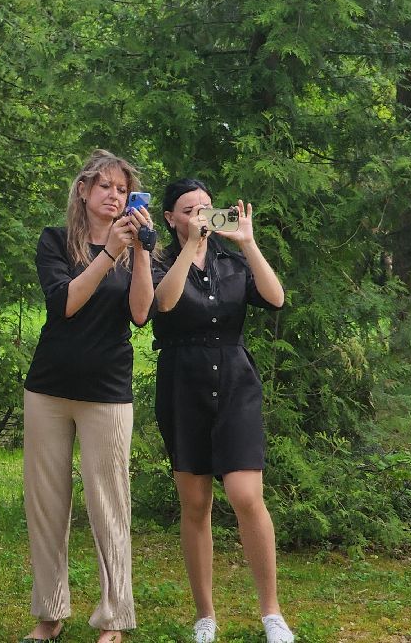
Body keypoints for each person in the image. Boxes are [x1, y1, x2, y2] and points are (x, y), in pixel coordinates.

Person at [151, 180, 293, 643]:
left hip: (235, 382)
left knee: (247, 495)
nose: (200, 216)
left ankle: (271, 613)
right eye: (189, 210)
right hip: (183, 385)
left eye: (207, 209)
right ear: (170, 218)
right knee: (195, 504)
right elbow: (164, 304)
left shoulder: (232, 263)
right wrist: (187, 248)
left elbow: (275, 298)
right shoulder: (156, 264)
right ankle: (205, 616)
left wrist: (249, 243)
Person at [22, 149, 155, 643]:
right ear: (84, 190)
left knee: (109, 502)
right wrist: (108, 254)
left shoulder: (137, 245)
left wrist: (139, 251)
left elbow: (142, 313)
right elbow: (65, 304)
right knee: (47, 502)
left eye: (122, 190)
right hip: (49, 389)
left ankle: (115, 618)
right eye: (105, 187)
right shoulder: (56, 242)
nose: (114, 197)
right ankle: (49, 613)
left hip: (108, 392)